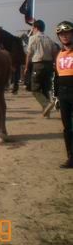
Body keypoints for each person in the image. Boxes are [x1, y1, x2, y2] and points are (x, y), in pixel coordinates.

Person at [24, 19, 58, 117]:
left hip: (38, 65)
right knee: (45, 88)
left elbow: (29, 54)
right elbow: (54, 53)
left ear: (35, 28)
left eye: (33, 28)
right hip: (49, 65)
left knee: (35, 89)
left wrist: (26, 67)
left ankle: (46, 104)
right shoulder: (49, 39)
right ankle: (46, 112)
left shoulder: (33, 38)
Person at [54, 21, 73, 168]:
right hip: (64, 94)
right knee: (67, 128)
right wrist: (56, 96)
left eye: (67, 33)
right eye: (61, 34)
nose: (64, 36)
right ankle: (71, 157)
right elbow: (57, 77)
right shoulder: (59, 54)